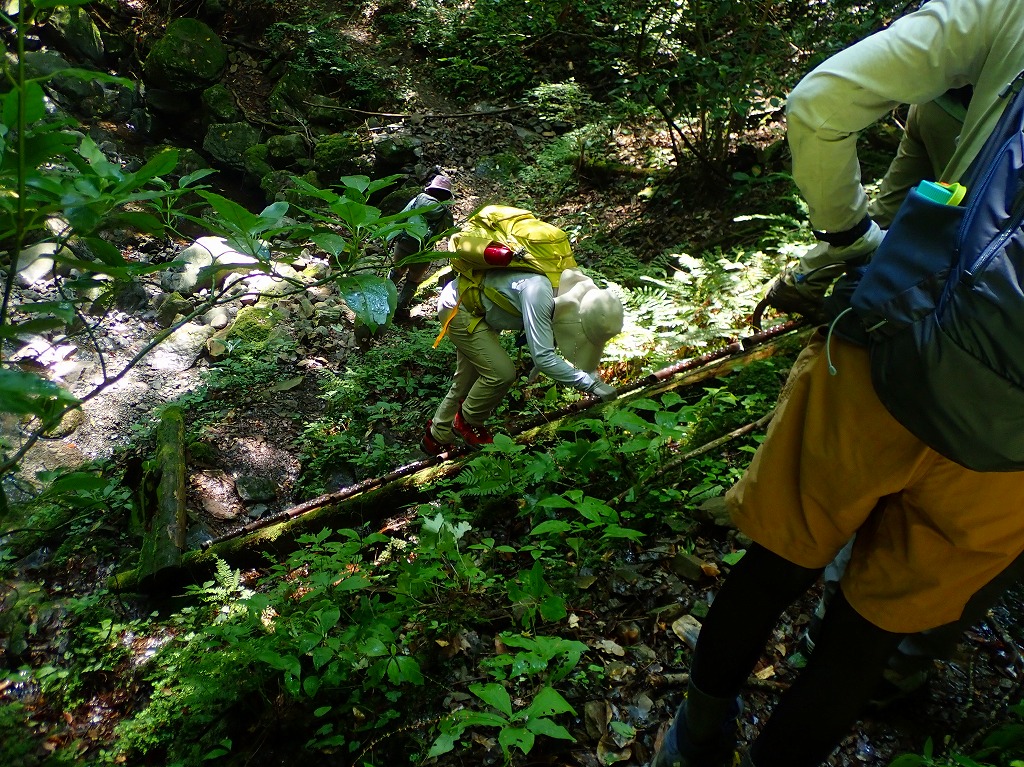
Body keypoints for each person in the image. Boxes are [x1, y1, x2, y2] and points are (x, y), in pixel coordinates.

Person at [650, 2, 1024, 766]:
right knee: (866, 636)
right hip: (1008, 454)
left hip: (894, 350)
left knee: (777, 564)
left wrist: (849, 238)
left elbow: (821, 103)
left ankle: (695, 739)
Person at [422, 268, 622, 454]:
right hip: (459, 307)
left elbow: (548, 338)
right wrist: (592, 385)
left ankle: (437, 436)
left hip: (471, 303)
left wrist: (593, 379)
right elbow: (543, 357)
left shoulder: (567, 291)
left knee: (466, 380)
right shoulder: (539, 293)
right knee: (501, 373)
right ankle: (468, 421)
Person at [387, 174, 455, 319]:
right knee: (413, 280)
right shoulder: (445, 212)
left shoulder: (417, 200)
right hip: (423, 251)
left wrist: (389, 236)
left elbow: (400, 218)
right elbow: (452, 235)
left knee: (396, 272)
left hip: (404, 244)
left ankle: (383, 300)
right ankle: (400, 310)